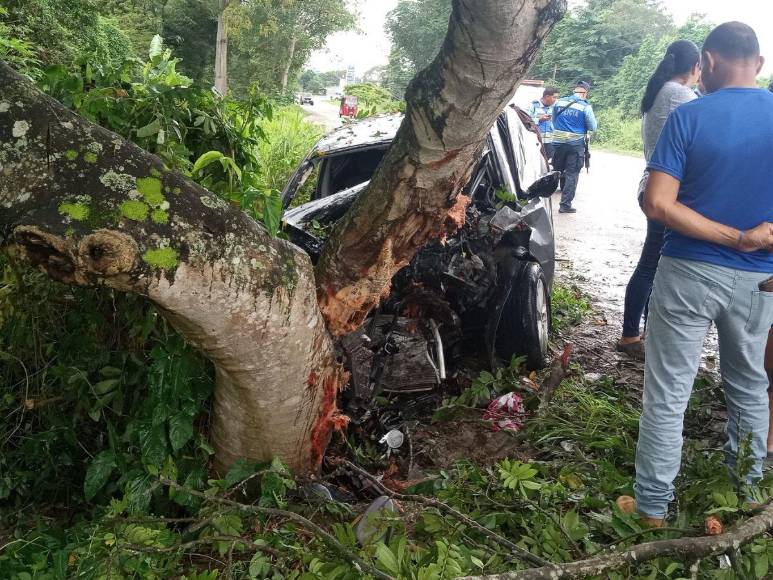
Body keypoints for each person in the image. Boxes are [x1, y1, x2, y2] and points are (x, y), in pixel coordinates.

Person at [618, 22, 773, 527]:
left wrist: (733, 236)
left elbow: (658, 204)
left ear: (706, 61)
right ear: (760, 64)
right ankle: (744, 493)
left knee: (668, 392)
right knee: (750, 387)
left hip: (688, 271)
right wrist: (754, 241)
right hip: (760, 282)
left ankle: (651, 508)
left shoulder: (689, 116)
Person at [616, 41, 702, 359]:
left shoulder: (661, 91)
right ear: (696, 67)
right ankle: (632, 336)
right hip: (666, 191)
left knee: (652, 262)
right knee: (654, 264)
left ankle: (635, 334)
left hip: (652, 185)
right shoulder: (680, 95)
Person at [551, 81, 597, 214]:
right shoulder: (585, 107)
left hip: (558, 143)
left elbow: (554, 121)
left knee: (556, 170)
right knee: (572, 174)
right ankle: (565, 205)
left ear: (574, 91)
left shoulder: (559, 102)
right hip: (575, 145)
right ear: (585, 93)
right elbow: (593, 127)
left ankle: (542, 199)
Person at [528, 87, 559, 159]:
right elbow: (525, 120)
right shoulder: (533, 106)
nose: (556, 100)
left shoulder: (555, 107)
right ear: (547, 96)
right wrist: (539, 119)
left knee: (549, 162)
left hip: (550, 141)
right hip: (537, 141)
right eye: (554, 97)